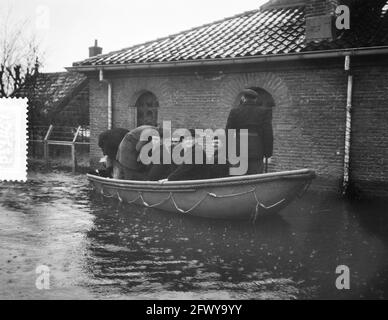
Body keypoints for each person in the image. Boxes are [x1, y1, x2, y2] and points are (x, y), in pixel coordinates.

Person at [226, 88, 273, 175]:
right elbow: (268, 133)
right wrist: (268, 153)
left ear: (243, 98)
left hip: (238, 150)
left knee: (237, 180)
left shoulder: (235, 111)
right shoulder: (264, 112)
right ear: (255, 99)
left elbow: (228, 133)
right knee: (254, 179)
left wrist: (227, 152)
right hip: (257, 151)